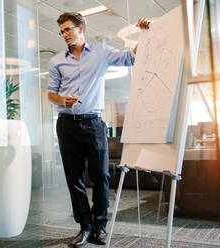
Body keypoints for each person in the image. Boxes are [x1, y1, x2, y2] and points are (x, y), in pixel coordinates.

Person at [47, 13, 150, 247]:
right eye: (62, 31)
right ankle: (85, 227)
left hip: (94, 123)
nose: (65, 34)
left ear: (81, 28)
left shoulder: (101, 52)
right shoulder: (56, 62)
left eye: (68, 29)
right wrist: (62, 100)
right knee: (74, 178)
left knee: (101, 176)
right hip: (66, 123)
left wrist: (145, 33)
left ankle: (100, 225)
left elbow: (130, 58)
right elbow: (51, 93)